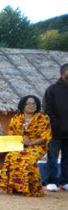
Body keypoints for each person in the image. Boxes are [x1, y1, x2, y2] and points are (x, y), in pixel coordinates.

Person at [0, 95, 51, 196]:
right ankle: (15, 187)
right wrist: (21, 141)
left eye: (33, 103)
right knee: (11, 156)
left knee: (28, 158)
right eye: (28, 104)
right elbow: (11, 134)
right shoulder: (16, 119)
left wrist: (30, 142)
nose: (31, 105)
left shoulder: (43, 118)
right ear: (22, 106)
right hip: (18, 145)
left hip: (37, 146)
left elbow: (45, 137)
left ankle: (31, 188)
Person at [43, 63, 68, 192]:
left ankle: (65, 181)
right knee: (52, 156)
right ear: (63, 73)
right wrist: (57, 125)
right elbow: (47, 110)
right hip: (55, 131)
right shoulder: (52, 89)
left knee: (67, 158)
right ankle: (51, 180)